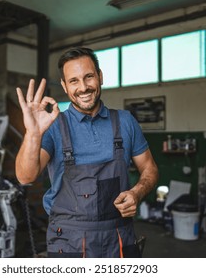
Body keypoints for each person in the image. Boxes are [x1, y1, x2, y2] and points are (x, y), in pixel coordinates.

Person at [15, 47, 158, 258]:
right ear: (65, 86)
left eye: (89, 77)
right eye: (74, 81)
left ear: (100, 77)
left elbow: (150, 168)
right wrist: (33, 133)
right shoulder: (54, 126)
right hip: (68, 241)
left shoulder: (126, 122)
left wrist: (136, 193)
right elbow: (25, 177)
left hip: (119, 236)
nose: (83, 87)